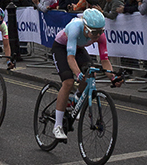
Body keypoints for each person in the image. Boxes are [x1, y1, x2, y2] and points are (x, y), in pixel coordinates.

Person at [50, 8, 120, 141]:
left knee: (90, 72)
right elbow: (70, 58)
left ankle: (77, 98)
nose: (98, 35)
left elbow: (105, 60)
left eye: (101, 31)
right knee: (68, 82)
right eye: (94, 32)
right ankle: (57, 125)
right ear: (86, 28)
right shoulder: (75, 27)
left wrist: (113, 77)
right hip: (61, 48)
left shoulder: (100, 36)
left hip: (78, 48)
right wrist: (77, 73)